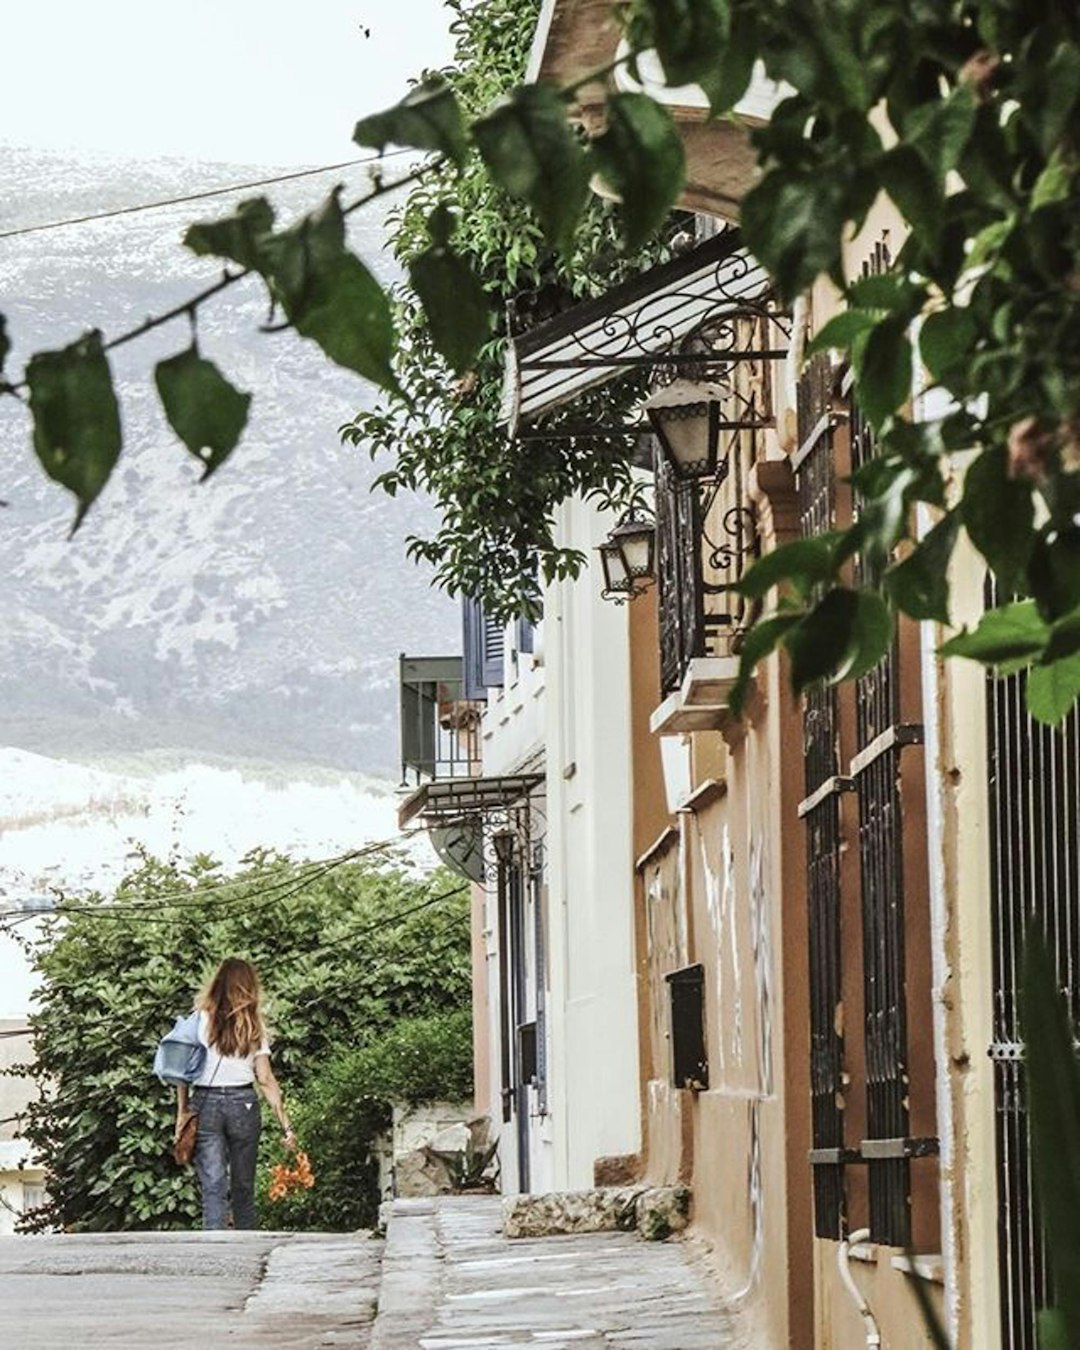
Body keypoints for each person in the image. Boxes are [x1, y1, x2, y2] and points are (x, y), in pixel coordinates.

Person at [175, 957, 296, 1230]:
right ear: (248, 986)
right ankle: (246, 1247)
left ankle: (215, 1251)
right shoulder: (254, 1025)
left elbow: (181, 1072)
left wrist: (182, 1112)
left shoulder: (197, 1021)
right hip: (244, 1105)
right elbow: (265, 1079)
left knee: (213, 1185)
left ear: (216, 984)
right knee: (243, 1185)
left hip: (205, 1103)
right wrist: (286, 1125)